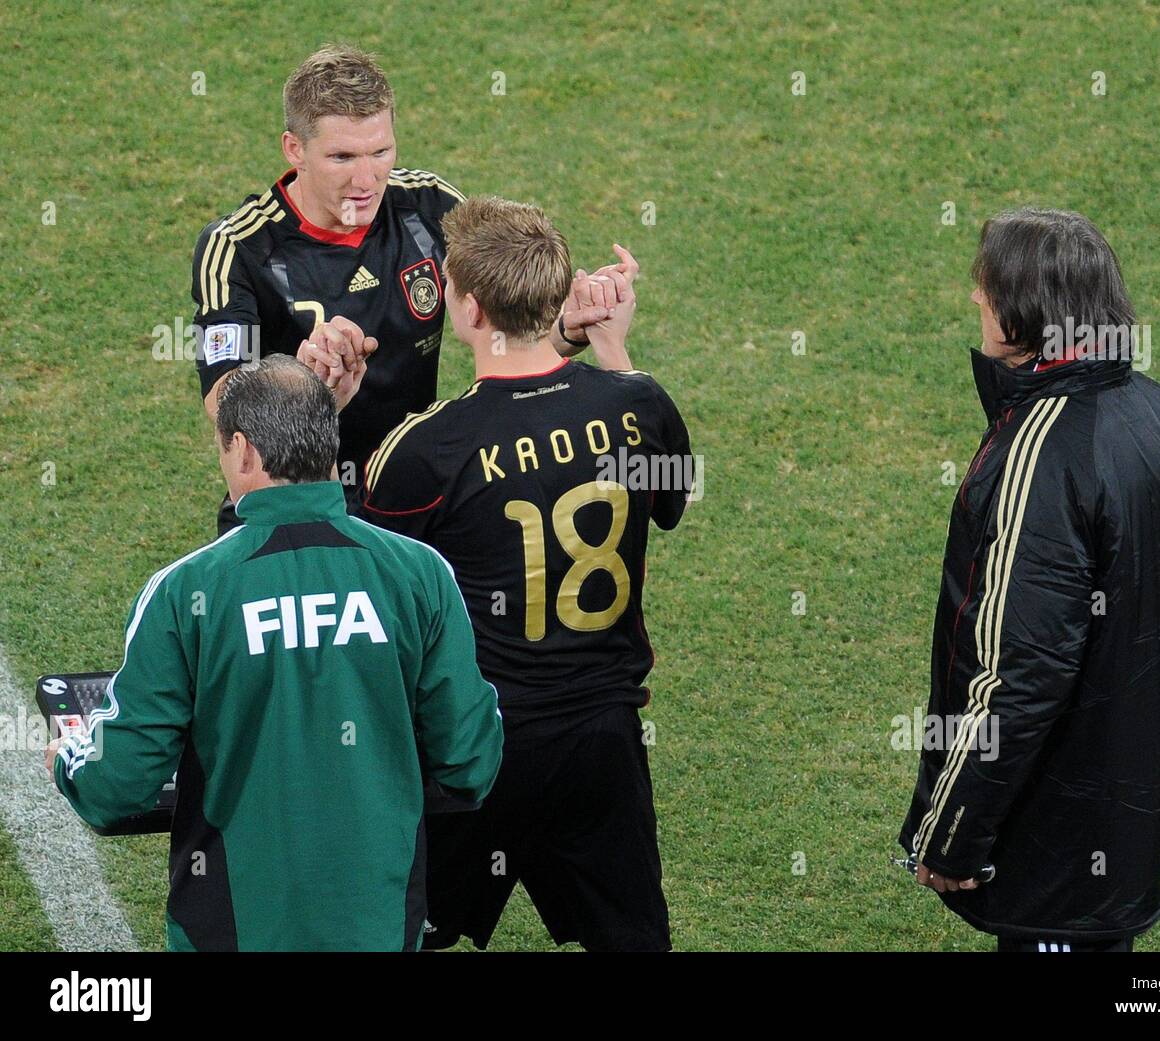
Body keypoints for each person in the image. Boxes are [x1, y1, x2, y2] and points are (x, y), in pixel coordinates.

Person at [47, 355, 503, 951]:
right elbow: (469, 762)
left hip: (231, 932)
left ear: (242, 450)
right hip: (378, 929)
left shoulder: (184, 592)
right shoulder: (420, 574)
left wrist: (69, 754)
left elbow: (116, 787)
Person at [349, 196, 692, 951]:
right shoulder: (640, 401)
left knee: (396, 933)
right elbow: (669, 498)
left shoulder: (425, 450)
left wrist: (330, 406)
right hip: (606, 742)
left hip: (481, 743)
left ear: (468, 308)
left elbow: (364, 592)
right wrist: (613, 347)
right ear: (555, 296)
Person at [899, 208, 1160, 953]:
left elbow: (1018, 672)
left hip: (1056, 832)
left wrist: (949, 832)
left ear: (1021, 313)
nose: (975, 299)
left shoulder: (1041, 455)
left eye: (985, 288)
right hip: (1129, 809)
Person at [190, 43, 628, 534]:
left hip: (415, 486)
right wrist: (305, 383)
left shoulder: (430, 206)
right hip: (293, 499)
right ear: (295, 149)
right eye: (341, 157)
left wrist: (570, 326)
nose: (366, 178)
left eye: (381, 152)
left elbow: (509, 338)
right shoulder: (239, 246)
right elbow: (225, 406)